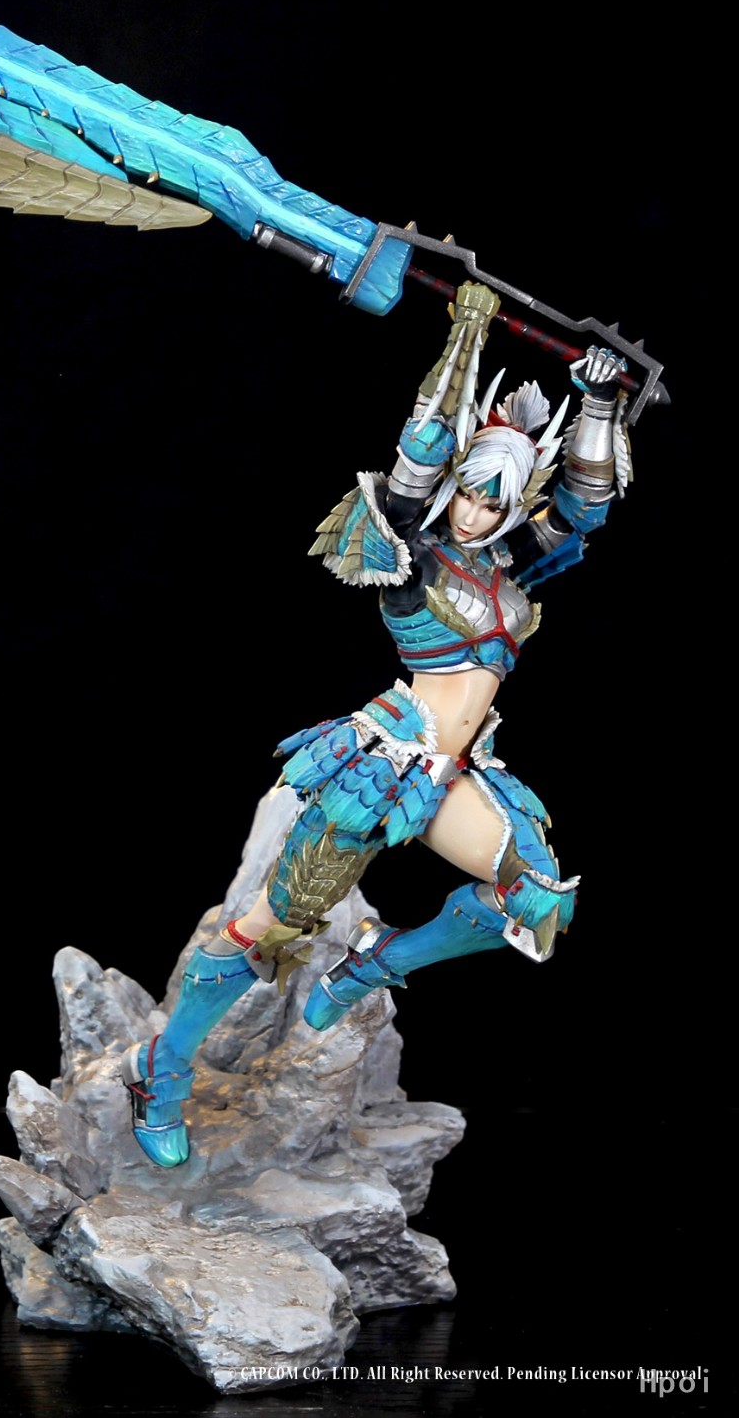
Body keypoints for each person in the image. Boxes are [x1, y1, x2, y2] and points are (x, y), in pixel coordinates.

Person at [123, 280, 630, 1167]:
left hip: (459, 770)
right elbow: (414, 459)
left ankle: (369, 964)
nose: (474, 511)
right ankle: (158, 1070)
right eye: (468, 494)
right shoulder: (411, 551)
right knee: (272, 926)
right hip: (384, 760)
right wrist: (465, 333)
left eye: (493, 502)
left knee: (536, 898)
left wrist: (595, 401)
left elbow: (586, 506)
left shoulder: (511, 564)